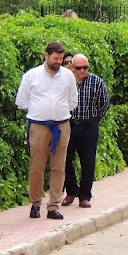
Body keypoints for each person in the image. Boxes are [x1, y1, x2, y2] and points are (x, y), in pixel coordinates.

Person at [16, 41, 78, 220]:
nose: (59, 62)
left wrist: (59, 112)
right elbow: (22, 101)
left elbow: (73, 100)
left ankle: (53, 207)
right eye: (55, 58)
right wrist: (38, 112)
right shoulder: (32, 75)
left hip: (62, 125)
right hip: (39, 126)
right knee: (37, 166)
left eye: (61, 58)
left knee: (59, 167)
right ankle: (35, 204)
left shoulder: (67, 76)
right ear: (46, 56)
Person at [61, 54, 110, 209]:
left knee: (88, 161)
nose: (82, 70)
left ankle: (84, 196)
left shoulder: (97, 81)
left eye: (85, 67)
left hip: (89, 126)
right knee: (65, 160)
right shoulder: (66, 82)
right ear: (72, 67)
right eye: (79, 68)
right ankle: (71, 191)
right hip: (69, 125)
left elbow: (104, 103)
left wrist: (94, 120)